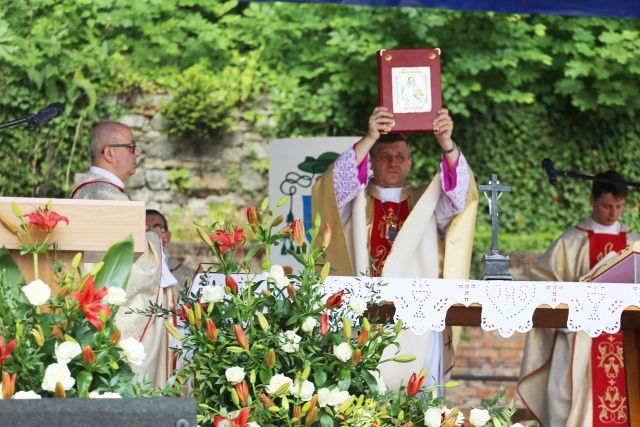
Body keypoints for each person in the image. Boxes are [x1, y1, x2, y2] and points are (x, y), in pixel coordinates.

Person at [312, 106, 478, 392]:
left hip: (420, 321)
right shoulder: (355, 203)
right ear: (371, 162)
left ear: (410, 163)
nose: (392, 163)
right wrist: (369, 137)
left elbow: (460, 198)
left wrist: (447, 144)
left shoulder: (427, 202)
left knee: (419, 404)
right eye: (384, 156)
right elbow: (330, 189)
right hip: (365, 318)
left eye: (400, 157)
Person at [518, 170, 640, 427]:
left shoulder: (633, 242)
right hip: (580, 338)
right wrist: (572, 302)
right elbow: (543, 285)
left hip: (626, 337)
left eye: (619, 206)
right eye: (607, 206)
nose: (614, 213)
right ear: (592, 201)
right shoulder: (570, 243)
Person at [71, 122, 178, 389]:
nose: (137, 153)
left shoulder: (97, 192)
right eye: (131, 147)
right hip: (110, 315)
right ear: (109, 152)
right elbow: (133, 258)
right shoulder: (104, 196)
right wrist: (152, 238)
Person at [146, 209, 196, 291]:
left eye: (157, 227)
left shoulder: (189, 275)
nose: (151, 232)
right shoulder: (129, 269)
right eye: (145, 227)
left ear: (167, 236)